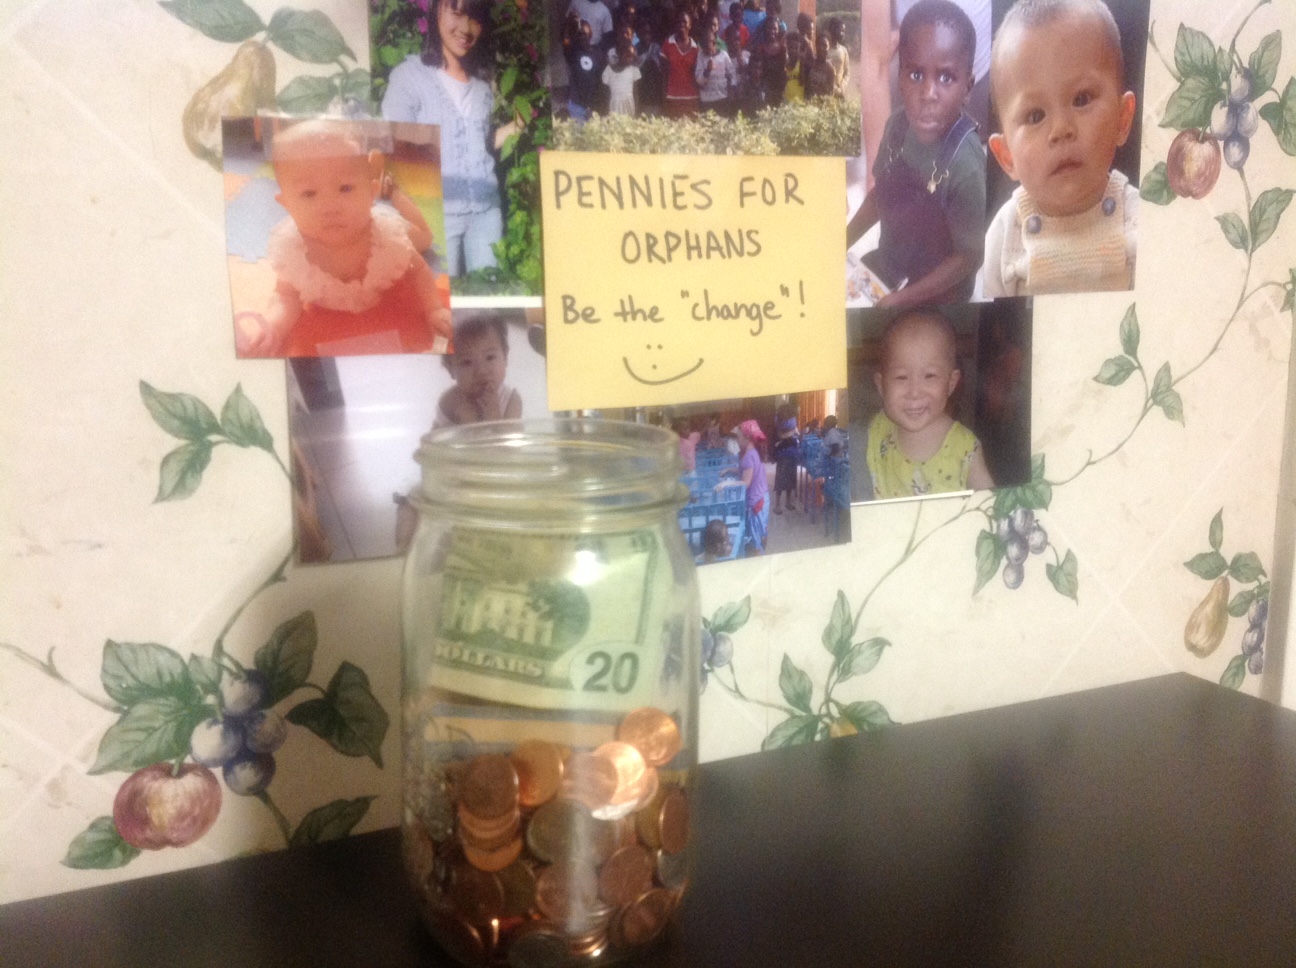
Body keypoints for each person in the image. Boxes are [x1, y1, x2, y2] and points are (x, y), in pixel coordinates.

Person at [237, 120, 452, 358]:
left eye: (345, 188)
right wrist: (273, 328)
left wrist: (434, 309)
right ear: (286, 203)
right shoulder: (292, 251)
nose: (330, 207)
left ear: (370, 193)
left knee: (424, 238)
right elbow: (286, 297)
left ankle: (393, 191)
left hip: (381, 222)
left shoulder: (390, 242)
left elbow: (418, 271)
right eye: (309, 193)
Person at [982, 0, 1137, 296]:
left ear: (1123, 118)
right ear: (1006, 155)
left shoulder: (1140, 217)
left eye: (1081, 99)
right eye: (1035, 116)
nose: (1061, 129)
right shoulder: (1004, 234)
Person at [844, 0, 985, 308]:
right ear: (900, 77)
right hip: (893, 264)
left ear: (968, 87)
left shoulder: (967, 164)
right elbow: (880, 196)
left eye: (946, 78)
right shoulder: (896, 127)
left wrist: (903, 299)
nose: (928, 94)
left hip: (941, 291)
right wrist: (841, 242)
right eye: (916, 75)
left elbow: (969, 257)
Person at [381, 0, 516, 278]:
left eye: (475, 18)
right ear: (436, 11)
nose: (466, 28)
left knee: (487, 289)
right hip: (435, 216)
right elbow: (396, 151)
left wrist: (521, 124)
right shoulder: (409, 78)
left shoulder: (482, 85)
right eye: (457, 12)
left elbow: (479, 144)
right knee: (438, 294)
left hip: (486, 213)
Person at [866, 310, 994, 498]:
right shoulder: (876, 429)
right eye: (901, 377)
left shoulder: (966, 449)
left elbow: (992, 505)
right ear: (881, 385)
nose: (914, 392)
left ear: (951, 383)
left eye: (930, 376)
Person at [432, 314, 523, 429]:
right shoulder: (450, 401)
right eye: (467, 362)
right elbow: (433, 438)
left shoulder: (512, 401)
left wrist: (494, 417)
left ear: (505, 358)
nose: (481, 371)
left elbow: (511, 440)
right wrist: (466, 423)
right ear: (450, 369)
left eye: (490, 357)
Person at [719, 419, 770, 555]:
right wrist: (729, 469)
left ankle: (758, 557)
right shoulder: (752, 452)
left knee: (755, 538)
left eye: (739, 437)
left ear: (747, 438)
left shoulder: (748, 457)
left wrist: (726, 484)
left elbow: (745, 482)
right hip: (762, 497)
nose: (737, 440)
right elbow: (745, 471)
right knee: (761, 532)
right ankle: (761, 550)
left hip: (756, 502)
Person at [564, 16, 607, 121]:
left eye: (584, 33)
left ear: (590, 34)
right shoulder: (572, 52)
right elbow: (565, 41)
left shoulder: (598, 53)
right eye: (578, 34)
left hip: (594, 105)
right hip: (577, 105)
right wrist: (570, 26)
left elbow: (601, 78)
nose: (581, 37)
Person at [662, 11, 701, 117]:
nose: (681, 24)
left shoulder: (696, 49)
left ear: (690, 25)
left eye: (684, 22)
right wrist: (664, 97)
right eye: (679, 22)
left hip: (691, 97)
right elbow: (664, 74)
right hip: (672, 97)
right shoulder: (667, 44)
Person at [695, 26, 736, 115]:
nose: (705, 50)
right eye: (703, 47)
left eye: (708, 47)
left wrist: (732, 89)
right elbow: (699, 81)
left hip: (722, 98)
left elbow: (732, 74)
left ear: (714, 43)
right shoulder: (700, 57)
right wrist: (707, 70)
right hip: (707, 100)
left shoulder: (724, 55)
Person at [603, 24, 643, 115]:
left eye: (632, 56)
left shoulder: (634, 70)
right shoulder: (609, 71)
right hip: (614, 106)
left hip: (629, 105)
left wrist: (637, 111)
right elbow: (606, 93)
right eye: (628, 55)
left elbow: (636, 93)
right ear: (620, 54)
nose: (631, 59)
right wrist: (606, 110)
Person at [771, 416, 800, 513]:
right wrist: (793, 431)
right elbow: (781, 436)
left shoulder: (792, 421)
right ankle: (777, 505)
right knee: (780, 480)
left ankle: (788, 502)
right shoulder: (779, 422)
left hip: (792, 456)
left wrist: (796, 433)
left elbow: (798, 436)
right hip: (782, 457)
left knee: (791, 479)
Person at [824, 18, 850, 97]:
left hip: (840, 94)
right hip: (826, 92)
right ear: (833, 30)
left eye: (844, 31)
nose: (843, 34)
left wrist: (842, 87)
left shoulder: (844, 50)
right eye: (841, 31)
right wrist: (834, 89)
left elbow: (847, 72)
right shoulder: (824, 50)